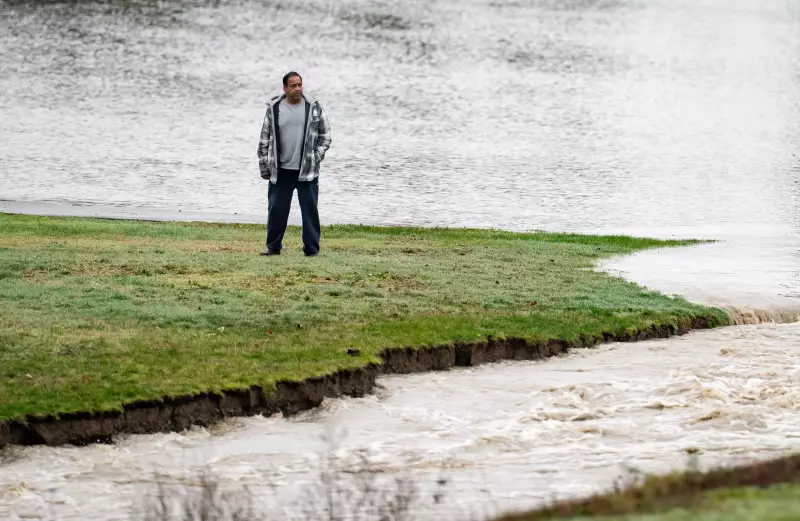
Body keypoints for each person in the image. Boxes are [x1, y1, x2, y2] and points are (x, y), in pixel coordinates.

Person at [257, 71, 332, 256]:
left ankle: (311, 250)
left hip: (307, 170)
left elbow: (326, 136)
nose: (298, 88)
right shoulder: (274, 108)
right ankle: (273, 247)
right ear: (285, 88)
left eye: (300, 85)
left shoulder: (313, 107)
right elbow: (264, 139)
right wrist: (264, 167)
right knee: (276, 211)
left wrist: (316, 156)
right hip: (281, 171)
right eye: (293, 86)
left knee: (310, 212)